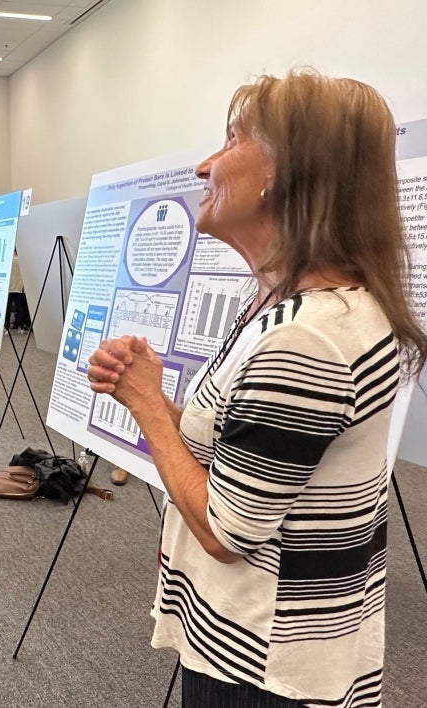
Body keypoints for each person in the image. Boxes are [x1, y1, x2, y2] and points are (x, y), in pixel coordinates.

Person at [87, 71, 427, 707]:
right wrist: (155, 397)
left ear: (286, 172)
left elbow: (226, 533)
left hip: (263, 664)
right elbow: (250, 448)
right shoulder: (305, 309)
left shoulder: (309, 338)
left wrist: (146, 412)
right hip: (286, 639)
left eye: (233, 138)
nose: (203, 165)